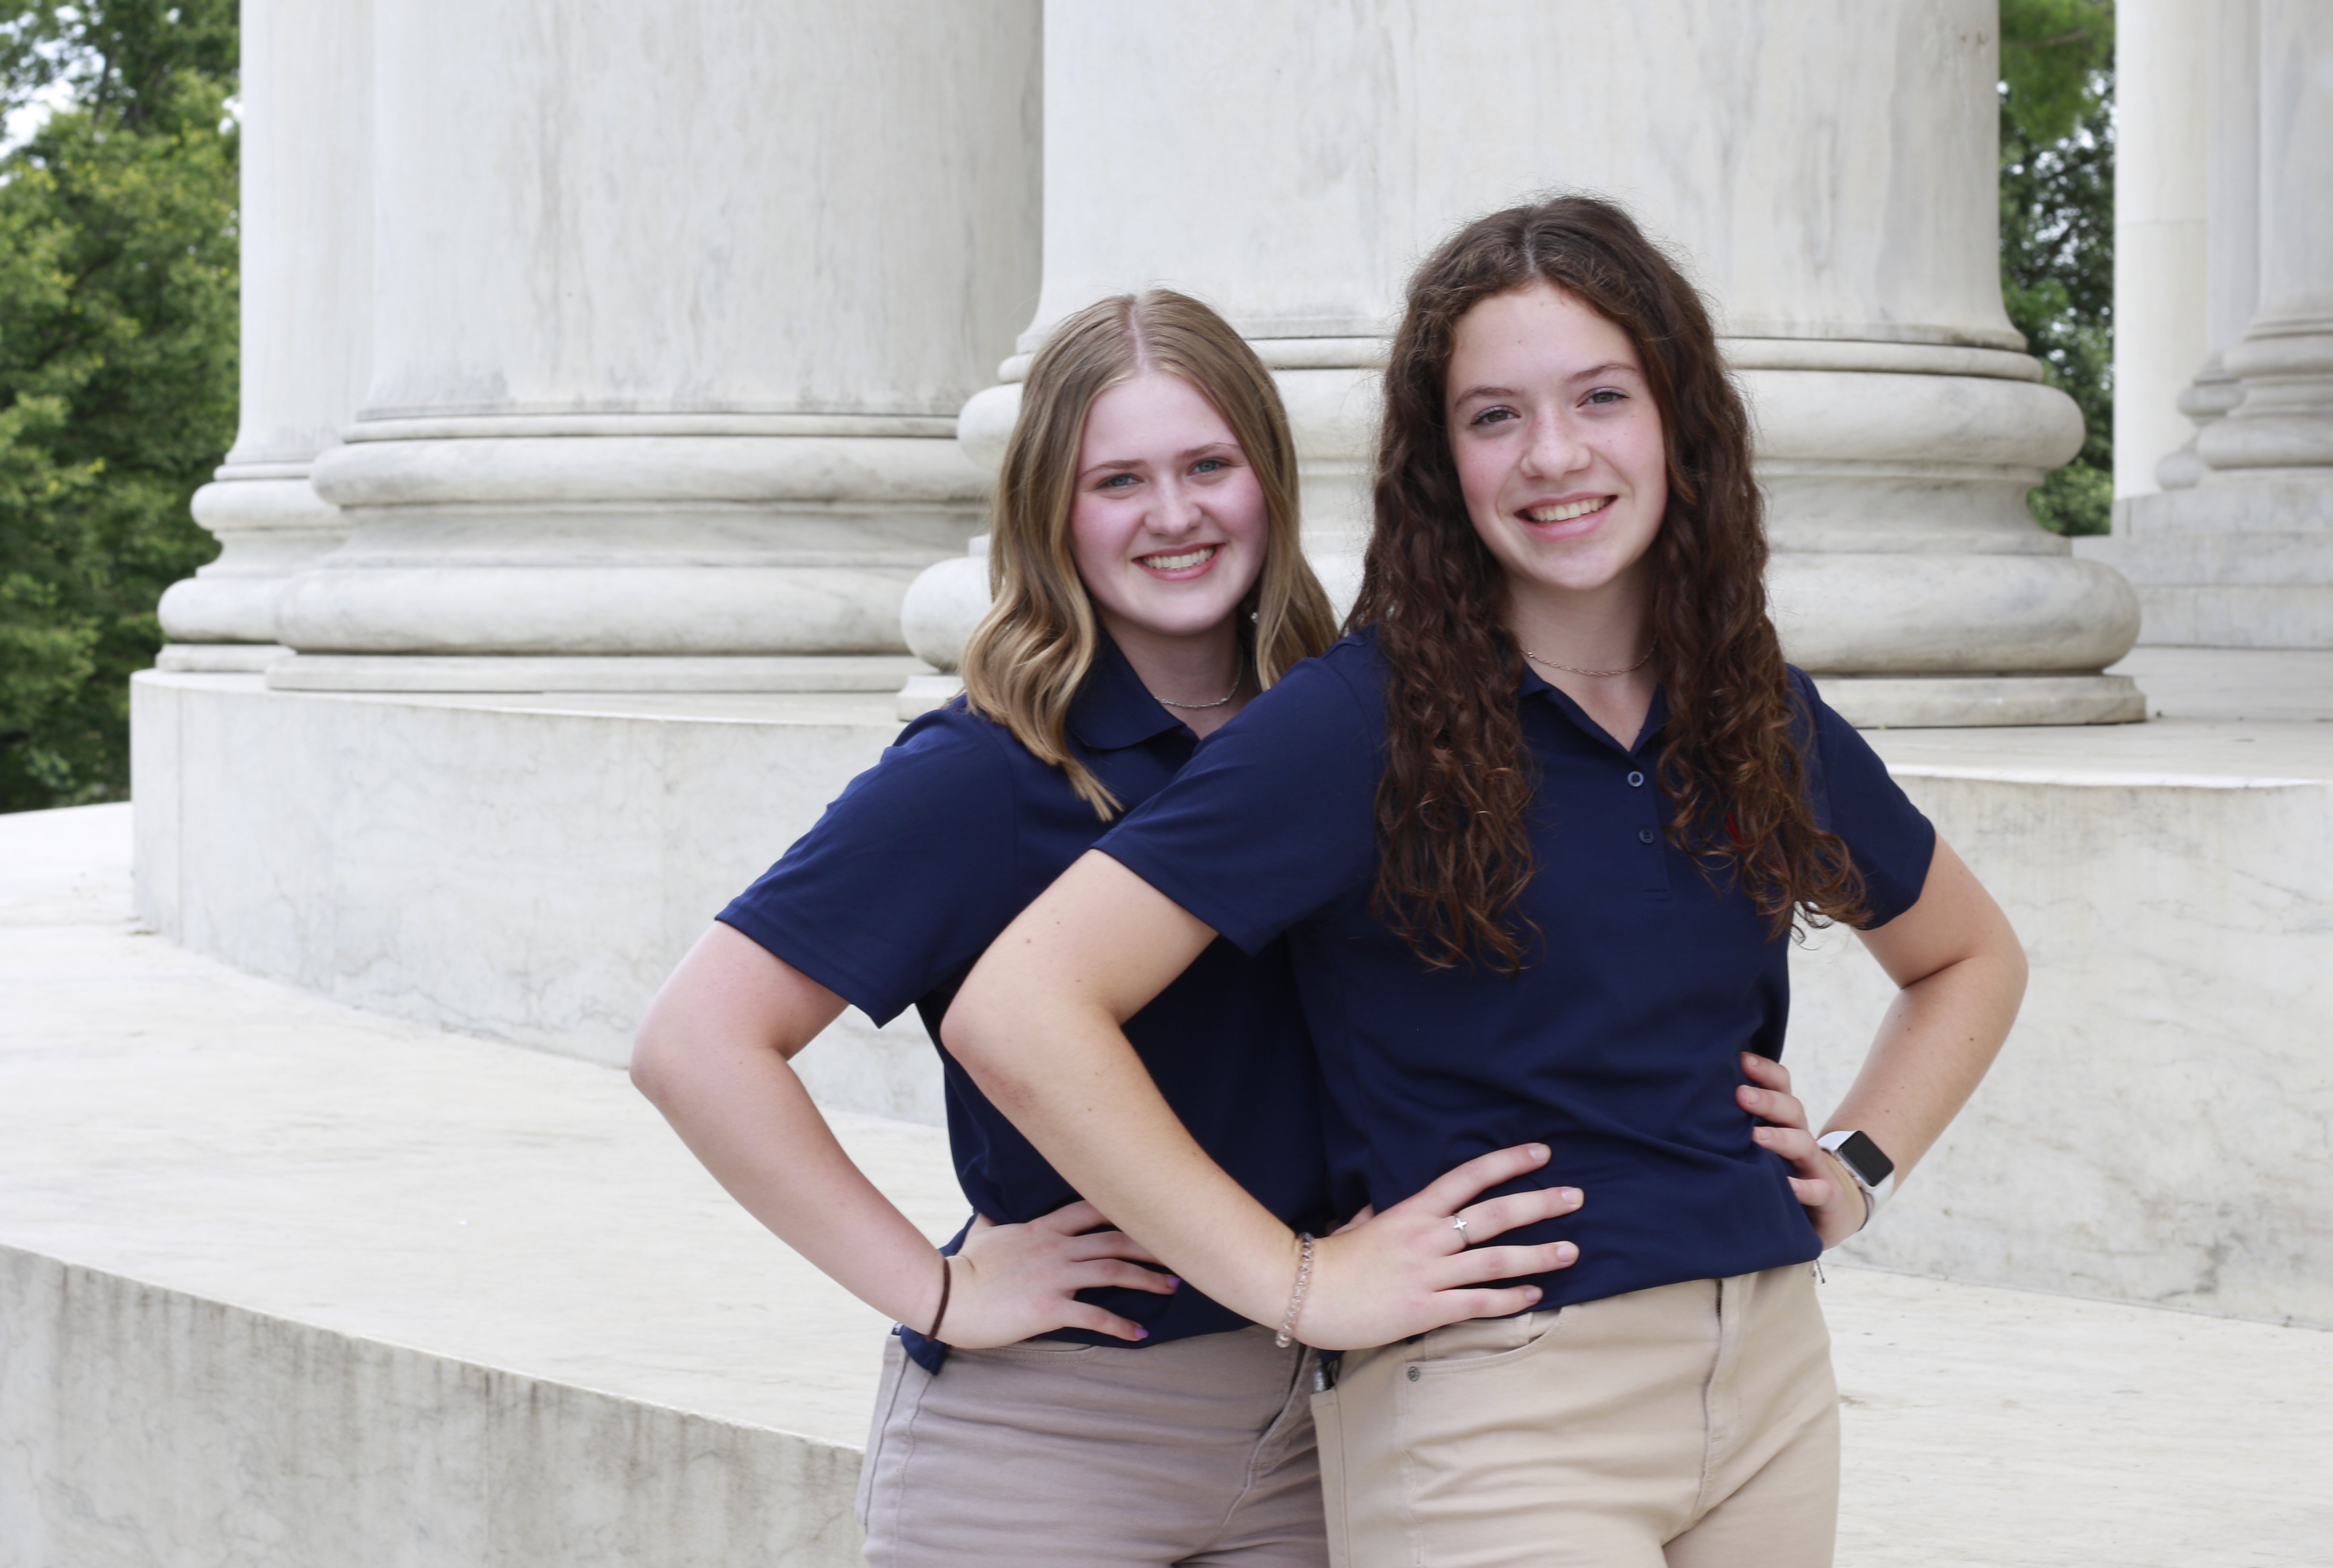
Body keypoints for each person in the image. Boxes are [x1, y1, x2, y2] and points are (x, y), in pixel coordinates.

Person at [942, 197, 2032, 1566]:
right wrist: (1296, 1281)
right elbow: (1022, 1008)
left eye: (1600, 397)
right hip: (1495, 1411)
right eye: (1494, 416)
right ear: (1438, 460)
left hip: (1765, 1380)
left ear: (1678, 420)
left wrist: (1860, 1164)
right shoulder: (1358, 725)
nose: (1555, 456)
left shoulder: (1754, 709)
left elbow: (1970, 959)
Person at [631, 289, 1580, 1567]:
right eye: (1118, 479)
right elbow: (698, 1044)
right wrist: (941, 1288)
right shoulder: (983, 776)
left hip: (1331, 1432)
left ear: (1269, 480)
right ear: (1050, 514)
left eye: (1208, 466)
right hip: (1052, 1446)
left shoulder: (1356, 734)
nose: (1175, 514)